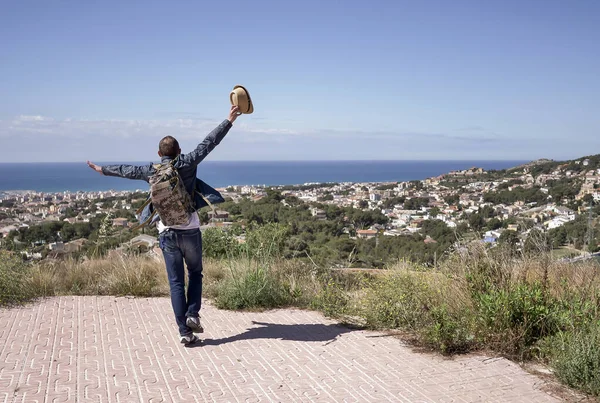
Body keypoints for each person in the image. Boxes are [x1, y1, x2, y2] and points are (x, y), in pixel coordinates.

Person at [87, 105, 241, 345]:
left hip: (166, 232)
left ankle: (184, 332)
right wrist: (229, 120)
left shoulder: (151, 170)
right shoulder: (186, 162)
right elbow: (209, 143)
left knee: (176, 283)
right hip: (190, 229)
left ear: (158, 153)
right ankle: (192, 314)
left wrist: (102, 169)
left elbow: (126, 170)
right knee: (196, 273)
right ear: (178, 151)